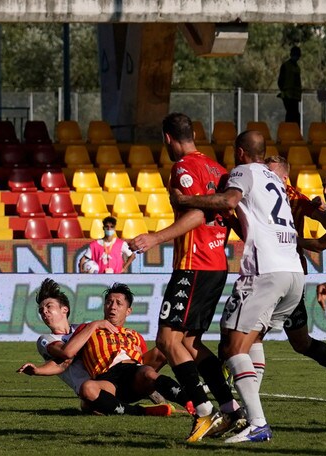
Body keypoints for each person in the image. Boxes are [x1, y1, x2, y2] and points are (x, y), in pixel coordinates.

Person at [172, 130, 305, 443]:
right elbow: (251, 220)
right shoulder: (276, 181)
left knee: (231, 345)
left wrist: (186, 199)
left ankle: (256, 422)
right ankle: (249, 414)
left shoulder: (243, 172)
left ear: (241, 152)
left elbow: (230, 198)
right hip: (293, 272)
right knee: (251, 338)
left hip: (265, 271)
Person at [129, 113, 243, 441]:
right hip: (217, 263)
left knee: (167, 341)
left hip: (195, 263)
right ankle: (230, 409)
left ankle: (204, 413)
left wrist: (154, 238)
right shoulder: (218, 169)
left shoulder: (182, 168)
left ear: (167, 138)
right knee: (189, 343)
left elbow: (196, 214)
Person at [16, 279, 178, 416]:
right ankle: (140, 410)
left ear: (64, 309)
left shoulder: (84, 329)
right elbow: (65, 358)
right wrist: (38, 370)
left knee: (161, 351)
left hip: (117, 376)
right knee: (89, 405)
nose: (44, 312)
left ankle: (186, 392)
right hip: (97, 388)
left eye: (48, 307)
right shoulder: (46, 339)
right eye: (41, 310)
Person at [264, 156, 326, 369]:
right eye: (325, 187)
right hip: (271, 274)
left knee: (244, 334)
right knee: (300, 342)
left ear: (285, 177)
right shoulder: (257, 193)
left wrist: (289, 237)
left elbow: (322, 241)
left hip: (287, 276)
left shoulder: (294, 198)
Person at [278, 46, 303, 124]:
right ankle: (289, 132)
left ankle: (293, 132)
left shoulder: (297, 68)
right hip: (288, 95)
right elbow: (280, 81)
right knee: (291, 115)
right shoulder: (286, 66)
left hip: (295, 96)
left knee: (295, 116)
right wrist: (284, 92)